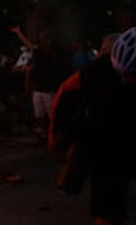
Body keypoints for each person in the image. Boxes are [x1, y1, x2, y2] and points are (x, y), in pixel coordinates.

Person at [50, 29, 136, 225]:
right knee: (108, 201)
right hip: (109, 137)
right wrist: (54, 135)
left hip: (110, 134)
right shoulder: (102, 68)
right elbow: (65, 91)